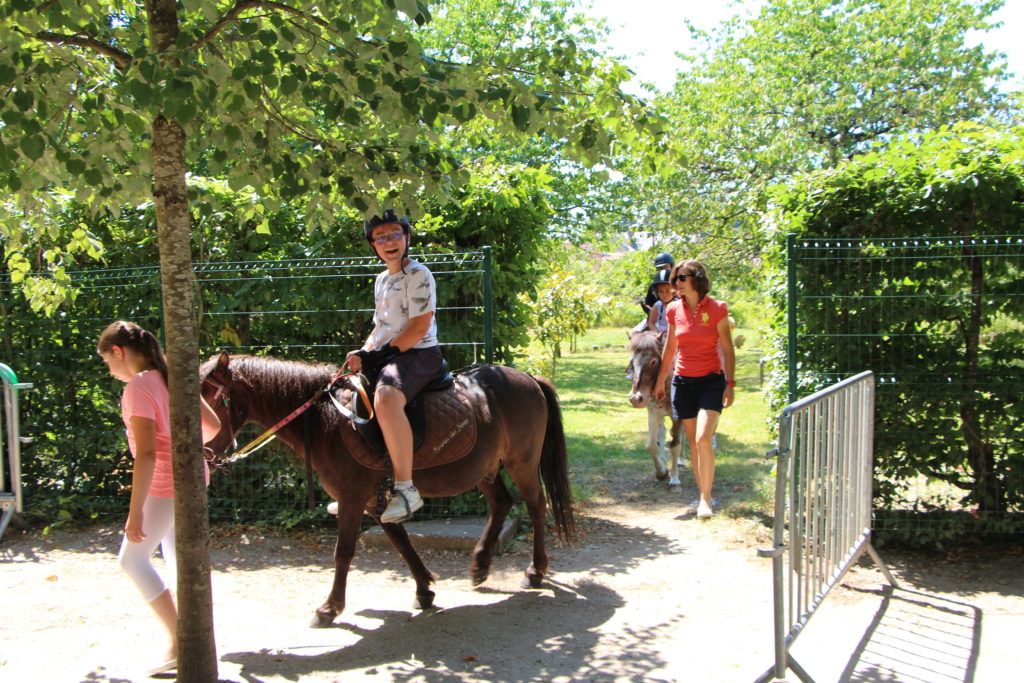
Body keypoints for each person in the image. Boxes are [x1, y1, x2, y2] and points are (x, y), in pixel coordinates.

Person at [96, 320, 221, 676]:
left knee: (132, 560)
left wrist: (135, 512)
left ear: (118, 351)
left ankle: (180, 640)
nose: (109, 369)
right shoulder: (170, 377)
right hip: (192, 477)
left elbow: (147, 454)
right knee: (176, 559)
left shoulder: (138, 386)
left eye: (107, 361)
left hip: (165, 484)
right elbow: (212, 427)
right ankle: (191, 639)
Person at [346, 210, 443, 524]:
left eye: (395, 234)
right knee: (348, 394)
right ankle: (361, 487)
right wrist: (364, 352)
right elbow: (380, 328)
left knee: (386, 399)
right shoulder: (381, 279)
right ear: (373, 245)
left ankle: (406, 490)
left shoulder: (419, 274)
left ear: (407, 238)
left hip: (419, 354)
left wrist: (381, 355)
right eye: (381, 237)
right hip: (388, 354)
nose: (389, 242)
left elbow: (418, 327)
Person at [653, 260, 736, 519]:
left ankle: (706, 499)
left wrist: (730, 384)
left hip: (711, 381)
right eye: (674, 278)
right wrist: (660, 380)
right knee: (693, 441)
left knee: (703, 439)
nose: (676, 283)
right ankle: (702, 496)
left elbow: (728, 349)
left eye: (681, 277)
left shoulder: (718, 308)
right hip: (683, 382)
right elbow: (671, 348)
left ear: (696, 279)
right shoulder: (673, 310)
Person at [632, 252, 675, 335]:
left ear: (671, 266)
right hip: (656, 317)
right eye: (660, 268)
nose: (663, 269)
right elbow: (648, 304)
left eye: (665, 266)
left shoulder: (677, 284)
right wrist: (653, 312)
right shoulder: (653, 285)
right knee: (635, 332)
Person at [645, 269, 675, 334]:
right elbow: (651, 323)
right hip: (660, 334)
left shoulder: (679, 304)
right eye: (661, 291)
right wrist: (658, 334)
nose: (664, 294)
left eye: (667, 291)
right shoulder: (658, 305)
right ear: (657, 292)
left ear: (674, 290)